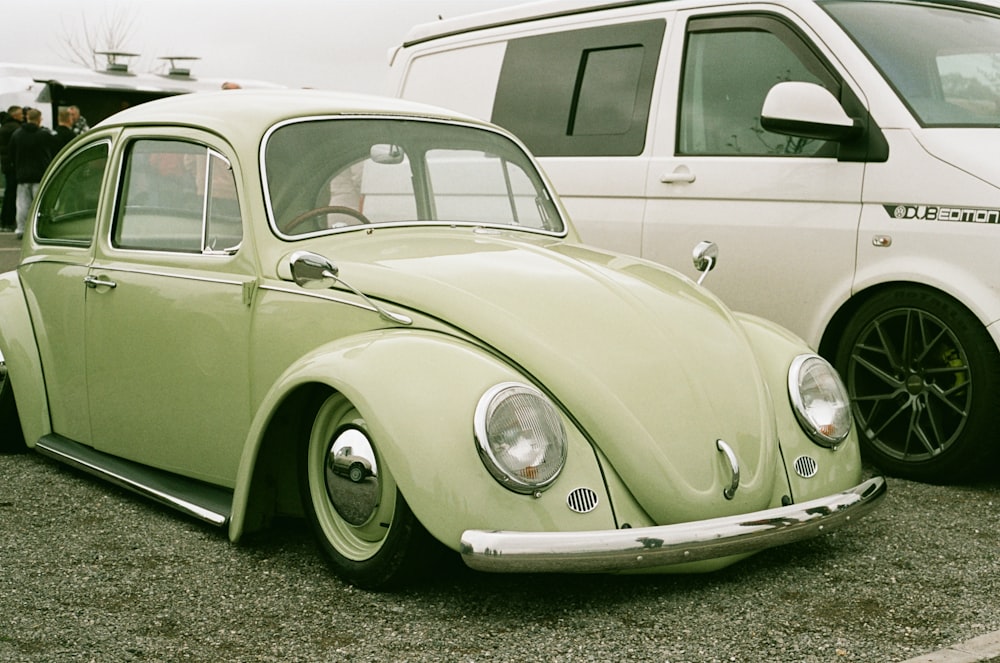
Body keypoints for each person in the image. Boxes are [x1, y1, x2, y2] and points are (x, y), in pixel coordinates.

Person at [10, 108, 54, 239]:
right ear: (39, 119)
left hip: (22, 174)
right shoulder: (44, 134)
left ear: (27, 118)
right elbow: (51, 151)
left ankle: (21, 229)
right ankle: (39, 230)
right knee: (40, 204)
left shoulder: (17, 134)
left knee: (22, 205)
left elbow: (12, 153)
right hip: (40, 174)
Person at [0, 105, 23, 232]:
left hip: (7, 165)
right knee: (13, 193)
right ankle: (9, 220)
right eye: (20, 114)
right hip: (13, 165)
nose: (23, 116)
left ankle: (4, 220)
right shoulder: (15, 128)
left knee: (9, 192)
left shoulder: (5, 127)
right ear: (14, 115)